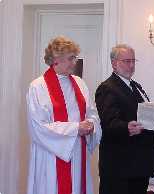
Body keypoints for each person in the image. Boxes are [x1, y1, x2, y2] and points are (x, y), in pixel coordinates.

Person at [26, 36, 102, 194]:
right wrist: (75, 129)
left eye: (74, 57)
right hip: (51, 156)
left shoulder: (80, 83)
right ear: (55, 60)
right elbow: (38, 127)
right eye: (70, 58)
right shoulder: (38, 87)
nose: (75, 63)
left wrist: (91, 124)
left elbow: (92, 113)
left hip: (77, 153)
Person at [95, 44, 154, 194]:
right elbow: (108, 122)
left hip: (138, 167)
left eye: (133, 61)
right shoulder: (107, 88)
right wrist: (126, 127)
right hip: (119, 169)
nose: (131, 65)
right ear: (114, 63)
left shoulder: (136, 86)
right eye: (126, 61)